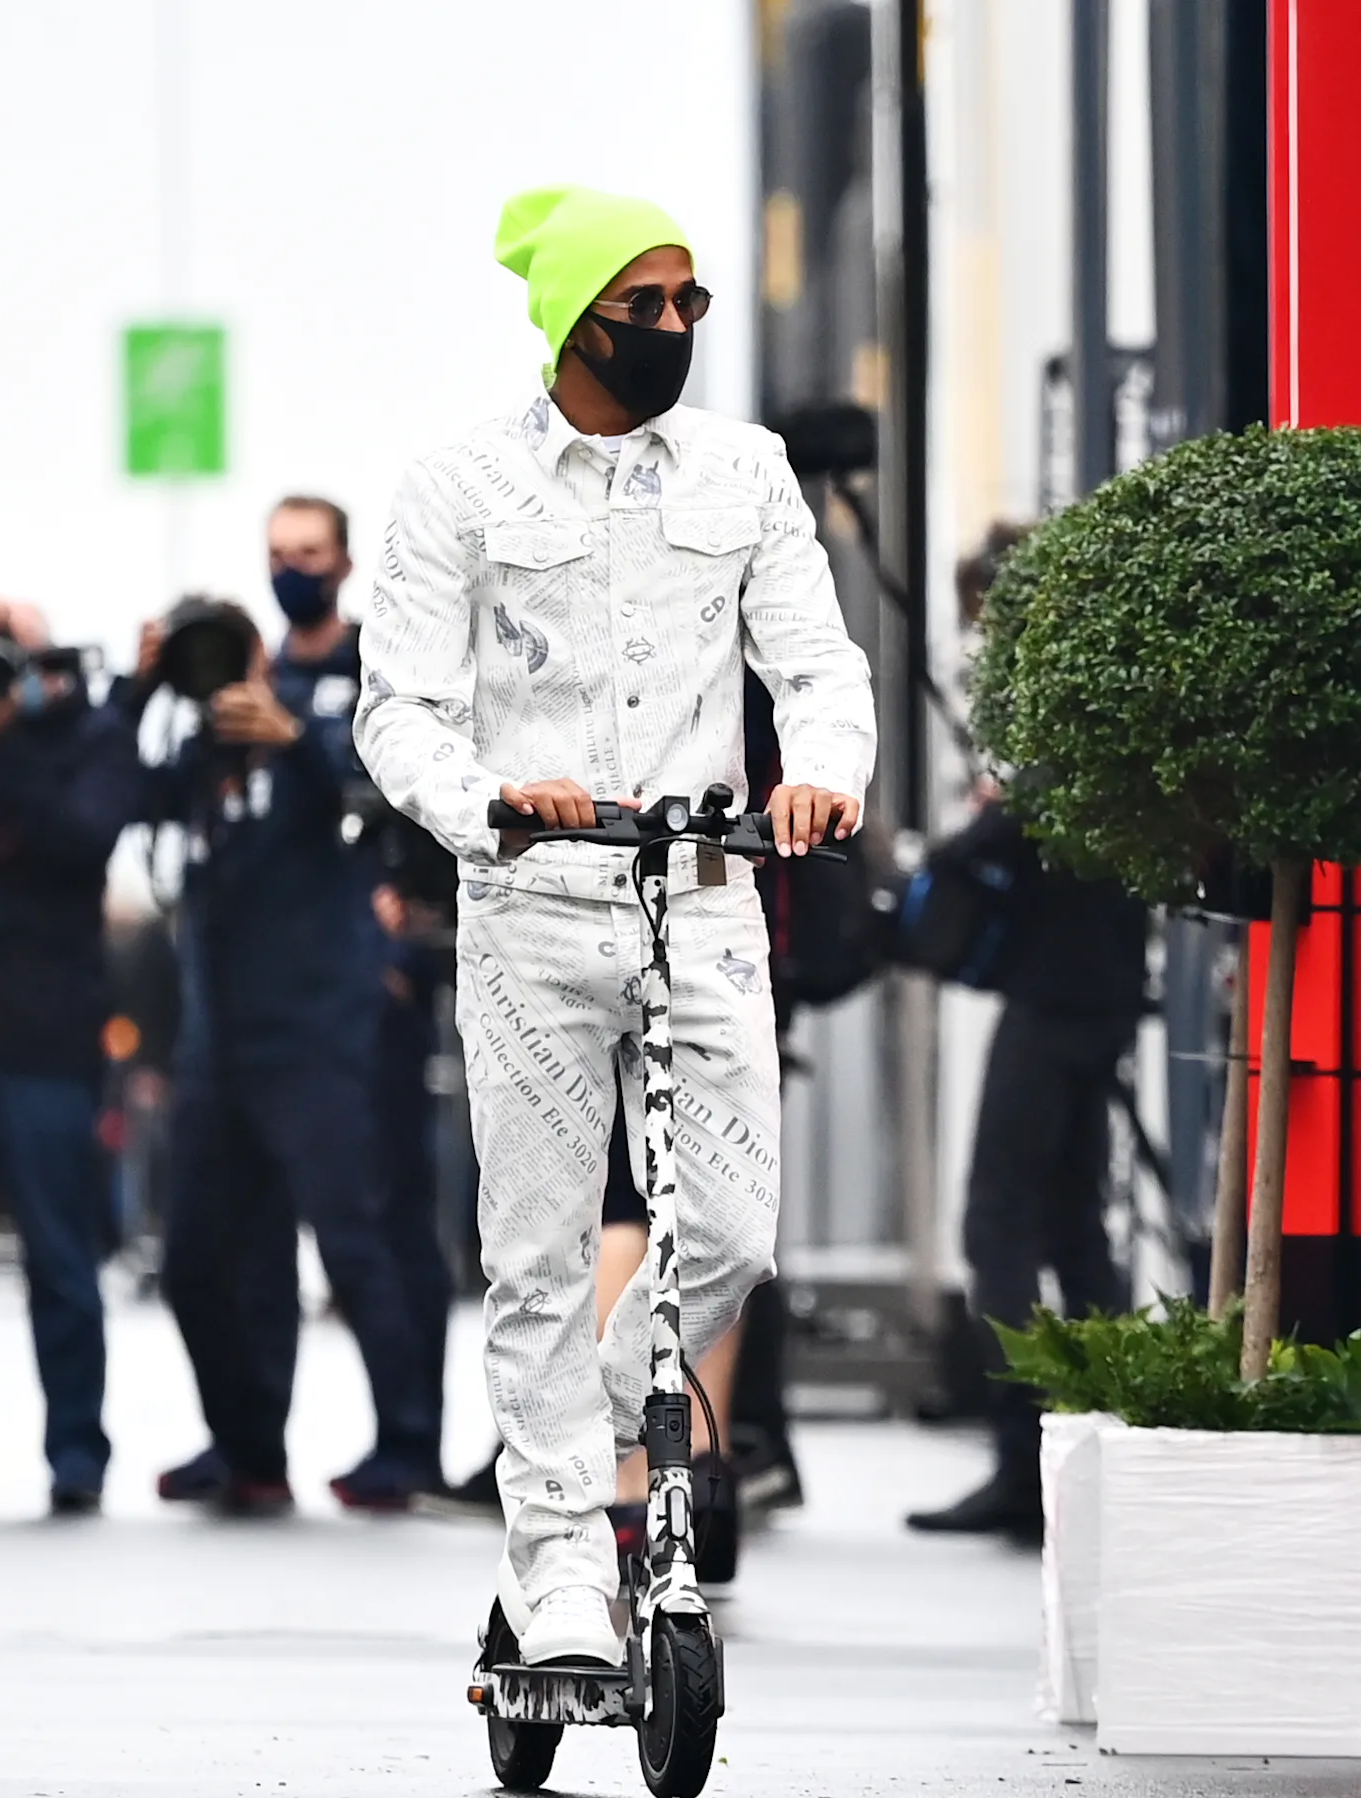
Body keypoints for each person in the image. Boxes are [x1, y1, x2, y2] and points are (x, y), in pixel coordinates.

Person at [355, 185, 872, 1668]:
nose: (671, 330)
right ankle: (567, 1557)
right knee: (534, 1249)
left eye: (689, 304)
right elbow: (398, 710)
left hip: (706, 900)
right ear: (572, 320)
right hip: (529, 905)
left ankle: (565, 1453)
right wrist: (494, 798)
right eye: (643, 307)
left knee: (733, 1232)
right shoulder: (457, 488)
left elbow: (821, 667)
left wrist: (825, 778)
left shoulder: (748, 472)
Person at [133, 570, 444, 1515]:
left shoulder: (319, 735)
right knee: (201, 1255)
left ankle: (408, 1446)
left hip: (318, 1034)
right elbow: (116, 796)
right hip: (215, 1044)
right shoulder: (193, 754)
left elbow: (376, 805)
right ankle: (245, 1442)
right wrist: (139, 686)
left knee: (356, 1244)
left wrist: (294, 734)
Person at [0, 580, 142, 1514]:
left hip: (43, 1046)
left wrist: (0, 737)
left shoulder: (81, 739)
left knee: (61, 1261)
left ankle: (77, 1459)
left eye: (22, 649)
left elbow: (79, 837)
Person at [905, 774, 1149, 1543]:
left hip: (1048, 997)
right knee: (1077, 1229)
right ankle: (1111, 1434)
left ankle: (1024, 1457)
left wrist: (988, 811)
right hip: (1107, 994)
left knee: (997, 1228)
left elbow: (975, 849)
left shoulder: (1065, 741)